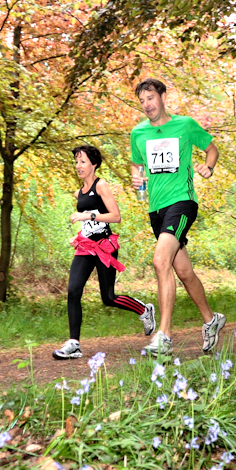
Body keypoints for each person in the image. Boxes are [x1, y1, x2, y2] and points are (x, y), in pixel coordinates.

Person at [129, 78, 226, 356]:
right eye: (142, 101)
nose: (147, 105)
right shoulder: (138, 133)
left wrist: (208, 168)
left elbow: (211, 148)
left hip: (182, 202)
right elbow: (137, 166)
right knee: (182, 271)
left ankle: (165, 335)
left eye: (151, 98)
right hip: (155, 209)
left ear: (162, 96)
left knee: (161, 261)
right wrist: (136, 178)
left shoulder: (184, 125)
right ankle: (211, 320)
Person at [53, 145, 156, 359]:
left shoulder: (102, 186)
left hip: (105, 247)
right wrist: (79, 235)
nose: (78, 166)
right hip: (86, 247)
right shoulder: (79, 192)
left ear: (94, 164)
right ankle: (74, 344)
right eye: (76, 162)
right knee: (73, 291)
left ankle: (144, 310)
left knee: (108, 297)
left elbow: (115, 216)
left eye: (82, 161)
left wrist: (87, 216)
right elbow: (89, 224)